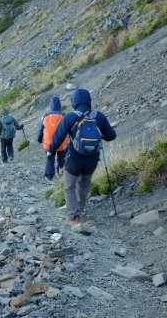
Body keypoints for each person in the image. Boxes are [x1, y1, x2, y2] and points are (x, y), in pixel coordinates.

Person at [47, 89, 116, 226]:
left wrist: (50, 151)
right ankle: (80, 211)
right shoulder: (98, 116)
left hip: (75, 158)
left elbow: (58, 137)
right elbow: (111, 136)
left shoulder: (70, 117)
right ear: (88, 100)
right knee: (84, 184)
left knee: (69, 186)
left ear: (74, 102)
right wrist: (98, 136)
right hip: (92, 159)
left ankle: (73, 217)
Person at [36, 96, 68, 184]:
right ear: (60, 105)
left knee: (50, 159)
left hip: (48, 144)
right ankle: (62, 174)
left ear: (51, 106)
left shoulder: (45, 116)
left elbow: (40, 130)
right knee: (62, 158)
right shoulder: (64, 115)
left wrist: (39, 139)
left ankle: (49, 176)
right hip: (62, 144)